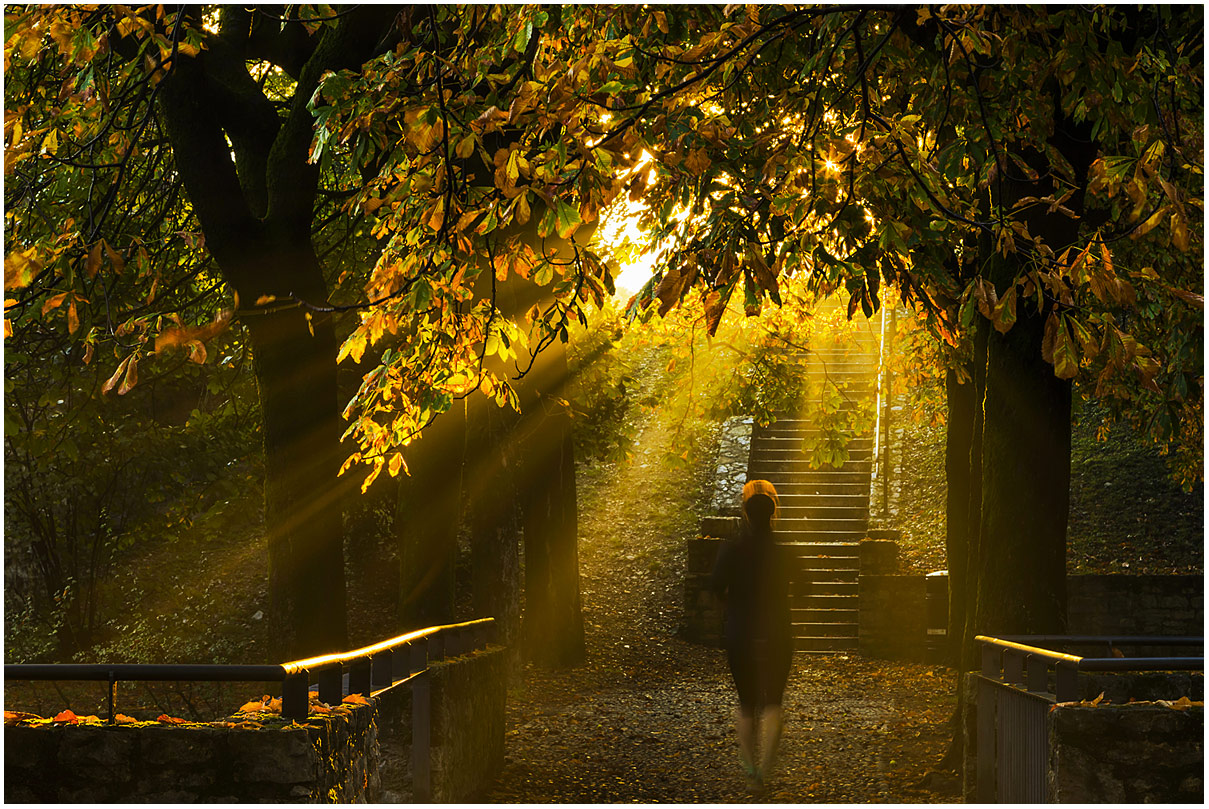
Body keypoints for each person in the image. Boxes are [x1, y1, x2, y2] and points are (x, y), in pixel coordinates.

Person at [709, 479, 793, 793]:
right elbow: (807, 587)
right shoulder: (783, 551)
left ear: (745, 513)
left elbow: (715, 587)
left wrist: (733, 605)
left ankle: (749, 768)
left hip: (741, 630)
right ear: (773, 514)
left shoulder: (731, 549)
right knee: (773, 703)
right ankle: (765, 770)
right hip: (778, 631)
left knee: (746, 703)